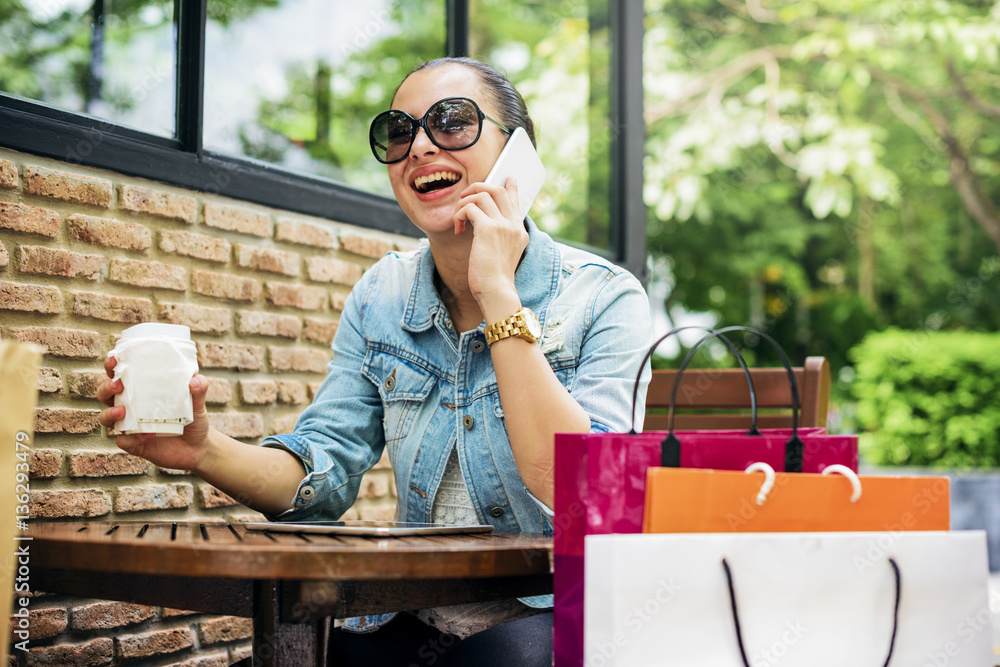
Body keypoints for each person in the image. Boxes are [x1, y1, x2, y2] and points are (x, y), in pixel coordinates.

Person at [96, 56, 652, 666]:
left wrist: (497, 292)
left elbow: (588, 497)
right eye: (399, 131)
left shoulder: (603, 296)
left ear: (519, 154)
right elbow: (324, 472)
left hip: (551, 613)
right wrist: (203, 449)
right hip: (406, 611)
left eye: (452, 122)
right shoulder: (382, 296)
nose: (419, 147)